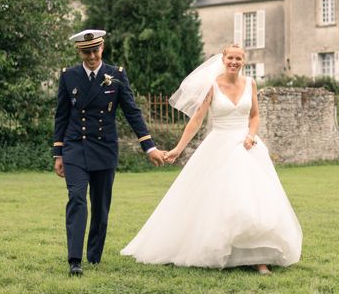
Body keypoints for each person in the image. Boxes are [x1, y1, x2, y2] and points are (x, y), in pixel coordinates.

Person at [121, 45, 302, 274]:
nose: (234, 62)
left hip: (247, 147)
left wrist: (251, 135)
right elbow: (197, 119)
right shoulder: (213, 85)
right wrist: (178, 149)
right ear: (223, 59)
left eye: (238, 58)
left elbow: (254, 115)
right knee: (221, 200)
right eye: (230, 58)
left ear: (243, 61)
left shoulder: (250, 84)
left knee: (255, 199)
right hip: (220, 145)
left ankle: (259, 258)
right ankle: (223, 250)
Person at [53, 29, 165, 276]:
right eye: (86, 52)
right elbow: (61, 116)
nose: (91, 56)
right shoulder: (69, 76)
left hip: (104, 148)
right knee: (77, 198)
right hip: (75, 147)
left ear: (102, 49)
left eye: (95, 50)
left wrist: (149, 146)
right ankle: (75, 260)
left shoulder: (116, 75)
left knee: (101, 206)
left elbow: (132, 112)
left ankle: (93, 256)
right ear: (79, 52)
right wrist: (58, 153)